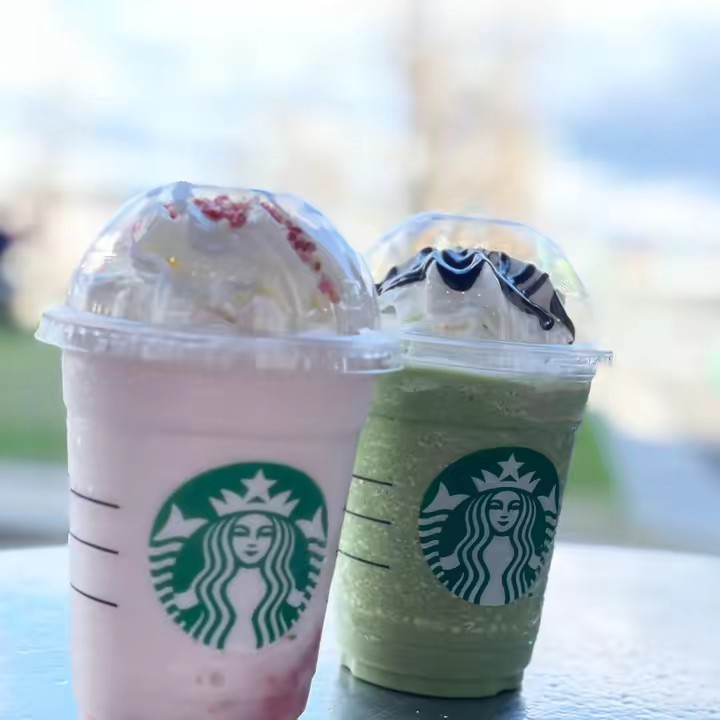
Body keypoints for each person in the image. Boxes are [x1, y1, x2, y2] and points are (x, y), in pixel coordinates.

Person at [172, 511, 307, 650]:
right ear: (224, 537)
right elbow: (182, 605)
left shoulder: (283, 583)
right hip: (194, 654)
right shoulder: (208, 582)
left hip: (280, 655)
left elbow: (300, 606)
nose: (252, 542)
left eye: (265, 534)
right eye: (241, 533)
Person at [438, 487, 543, 605]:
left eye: (514, 507)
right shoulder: (468, 547)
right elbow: (442, 567)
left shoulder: (526, 549)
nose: (504, 514)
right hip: (455, 606)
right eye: (496, 507)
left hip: (512, 610)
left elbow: (537, 571)